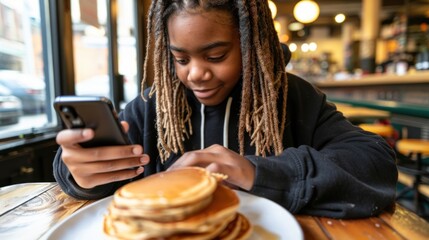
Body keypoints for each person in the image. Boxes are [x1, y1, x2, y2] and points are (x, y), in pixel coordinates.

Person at [53, 0, 397, 219]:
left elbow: (374, 162)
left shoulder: (293, 96)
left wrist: (258, 173)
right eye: (180, 59)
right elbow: (78, 176)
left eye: (216, 56)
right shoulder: (152, 106)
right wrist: (81, 175)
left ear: (251, 45)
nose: (196, 74)